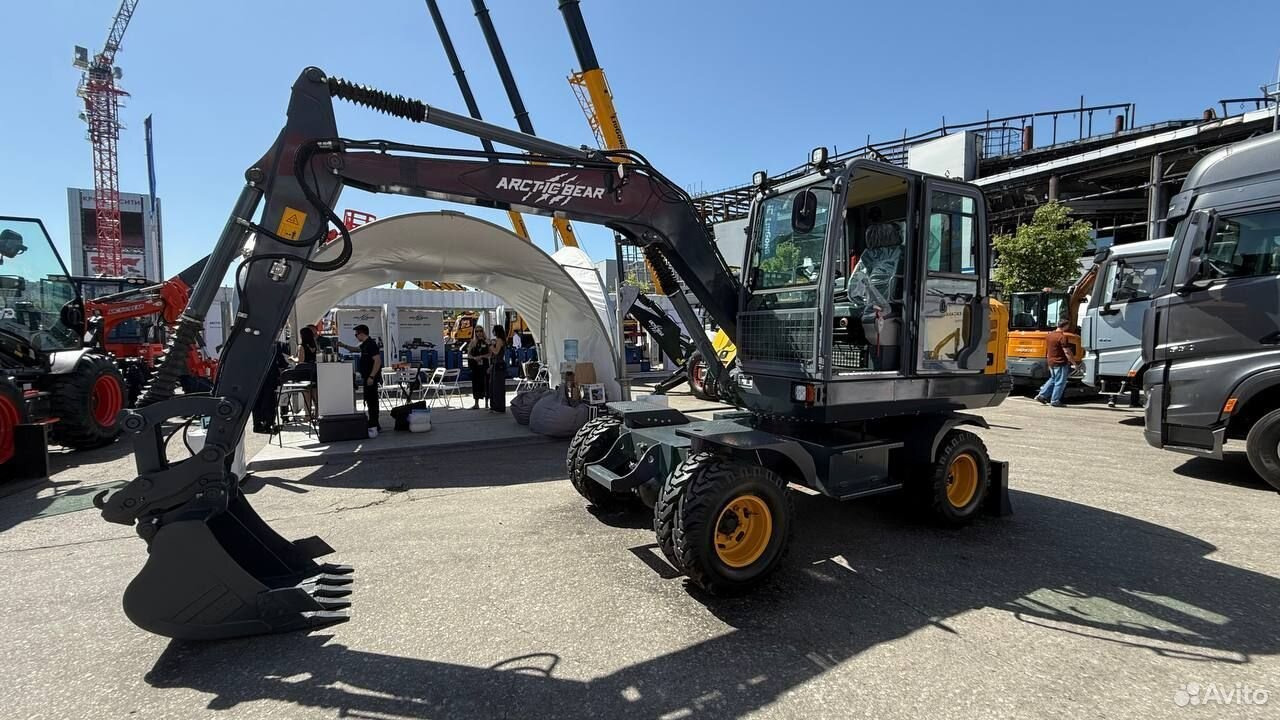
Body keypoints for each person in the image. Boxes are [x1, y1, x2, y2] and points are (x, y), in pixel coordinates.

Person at [340, 324, 383, 437]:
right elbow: (356, 349)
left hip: (371, 378)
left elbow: (377, 361)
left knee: (373, 401)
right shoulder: (365, 344)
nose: (356, 336)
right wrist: (343, 345)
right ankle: (373, 422)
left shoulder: (371, 344)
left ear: (362, 333)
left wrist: (372, 376)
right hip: (367, 376)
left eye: (356, 334)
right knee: (369, 400)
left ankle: (375, 423)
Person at [1035, 318, 1078, 408]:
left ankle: (1041, 395)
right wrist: (1074, 363)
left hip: (1051, 361)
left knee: (1053, 379)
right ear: (1065, 326)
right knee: (1060, 382)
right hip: (1060, 362)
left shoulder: (1049, 335)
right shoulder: (1062, 337)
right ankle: (1055, 400)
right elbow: (1067, 351)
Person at [467, 326, 489, 410]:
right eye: (477, 331)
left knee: (485, 383)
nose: (479, 333)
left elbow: (490, 354)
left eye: (480, 331)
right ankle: (476, 403)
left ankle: (487, 403)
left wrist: (481, 356)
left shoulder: (487, 342)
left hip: (484, 366)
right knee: (476, 384)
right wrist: (474, 358)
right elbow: (469, 354)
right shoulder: (473, 342)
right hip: (475, 367)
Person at [488, 325, 508, 413]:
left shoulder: (499, 340)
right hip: (495, 364)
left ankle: (498, 406)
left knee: (497, 386)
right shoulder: (498, 340)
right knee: (493, 386)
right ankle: (494, 405)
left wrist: (490, 345)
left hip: (498, 365)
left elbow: (496, 352)